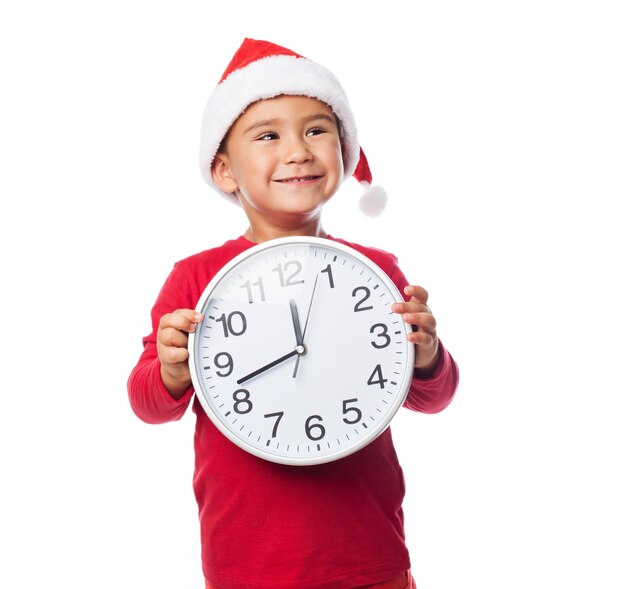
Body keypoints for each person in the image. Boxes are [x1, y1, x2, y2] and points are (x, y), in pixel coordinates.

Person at [128, 38, 459, 589]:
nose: (299, 150)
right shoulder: (195, 278)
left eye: (316, 130)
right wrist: (170, 370)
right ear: (225, 169)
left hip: (368, 558)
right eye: (268, 135)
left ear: (344, 152)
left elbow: (433, 396)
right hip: (248, 565)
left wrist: (426, 355)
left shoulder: (377, 272)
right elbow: (148, 404)